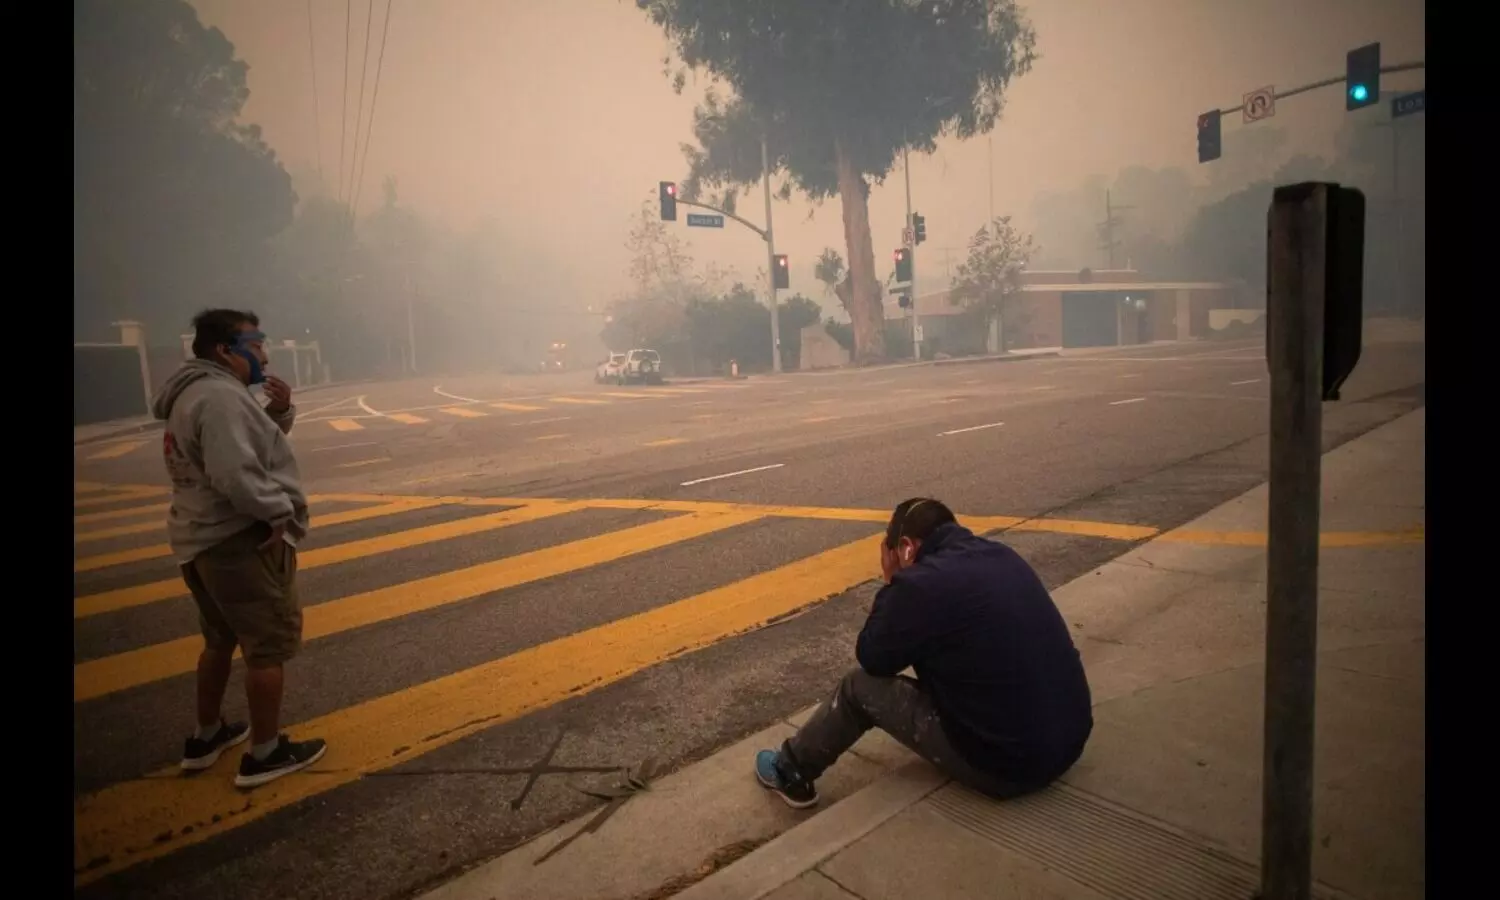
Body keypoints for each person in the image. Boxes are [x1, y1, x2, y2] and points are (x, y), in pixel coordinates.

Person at [754, 498, 1093, 808]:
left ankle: (791, 771)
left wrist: (891, 583)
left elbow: (874, 657)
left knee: (859, 687)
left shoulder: (919, 585)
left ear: (905, 547)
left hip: (1011, 765)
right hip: (1070, 742)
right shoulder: (1002, 554)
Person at [152, 309, 326, 789]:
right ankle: (265, 753)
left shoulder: (195, 394)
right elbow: (236, 474)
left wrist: (280, 413)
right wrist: (277, 513)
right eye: (257, 342)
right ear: (225, 350)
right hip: (237, 541)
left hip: (201, 539)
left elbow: (245, 451)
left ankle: (206, 736)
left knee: (219, 640)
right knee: (266, 648)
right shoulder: (219, 398)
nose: (265, 353)